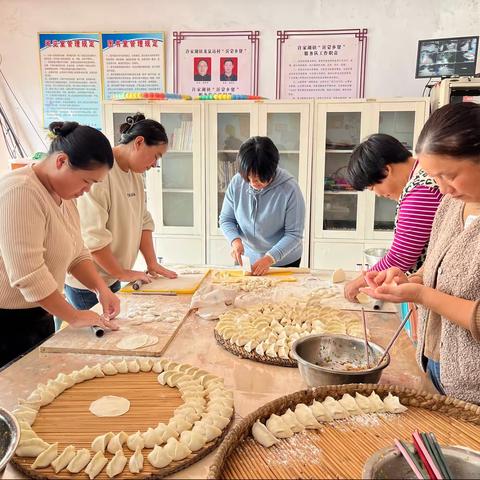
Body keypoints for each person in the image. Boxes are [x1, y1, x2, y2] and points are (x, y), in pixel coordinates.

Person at [361, 102, 480, 403]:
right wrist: (410, 279)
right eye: (434, 177)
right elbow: (437, 268)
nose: (441, 188)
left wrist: (421, 295)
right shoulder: (452, 205)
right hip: (438, 366)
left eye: (449, 175)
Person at [0, 122, 120, 367]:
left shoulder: (64, 195)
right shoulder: (20, 191)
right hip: (7, 324)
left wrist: (100, 289)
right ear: (61, 161)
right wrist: (73, 316)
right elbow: (28, 274)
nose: (86, 190)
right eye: (86, 181)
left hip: (38, 312)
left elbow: (77, 254)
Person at [64, 113, 177, 311]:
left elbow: (143, 220)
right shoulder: (100, 172)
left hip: (113, 275)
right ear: (139, 142)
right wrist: (123, 273)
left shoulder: (134, 175)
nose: (154, 165)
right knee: (100, 337)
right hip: (88, 284)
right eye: (155, 156)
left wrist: (152, 263)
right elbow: (93, 238)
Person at [344, 134, 443, 302]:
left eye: (373, 187)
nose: (378, 194)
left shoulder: (420, 193)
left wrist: (358, 283)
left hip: (434, 293)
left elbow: (401, 257)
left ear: (386, 170)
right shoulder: (422, 175)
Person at [219, 136, 305, 276]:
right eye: (249, 178)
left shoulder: (290, 189)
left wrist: (269, 258)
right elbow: (226, 219)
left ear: (272, 170)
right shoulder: (237, 183)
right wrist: (235, 241)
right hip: (247, 258)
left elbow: (294, 234)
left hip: (283, 261)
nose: (253, 182)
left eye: (259, 178)